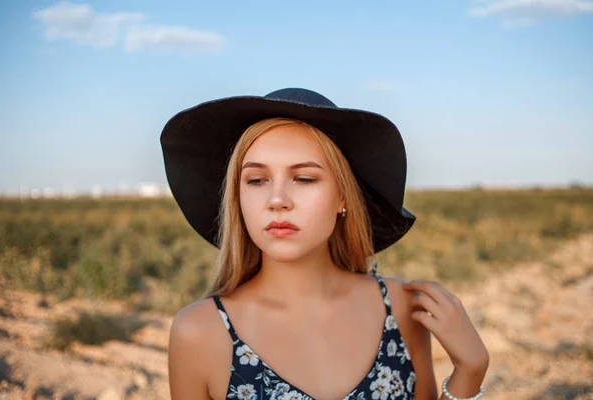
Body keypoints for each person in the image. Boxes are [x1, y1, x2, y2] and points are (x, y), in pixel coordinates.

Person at [162, 88, 489, 400]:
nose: (277, 200)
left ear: (342, 197)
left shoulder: (402, 308)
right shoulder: (200, 333)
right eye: (256, 180)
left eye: (304, 178)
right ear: (237, 197)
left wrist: (469, 371)